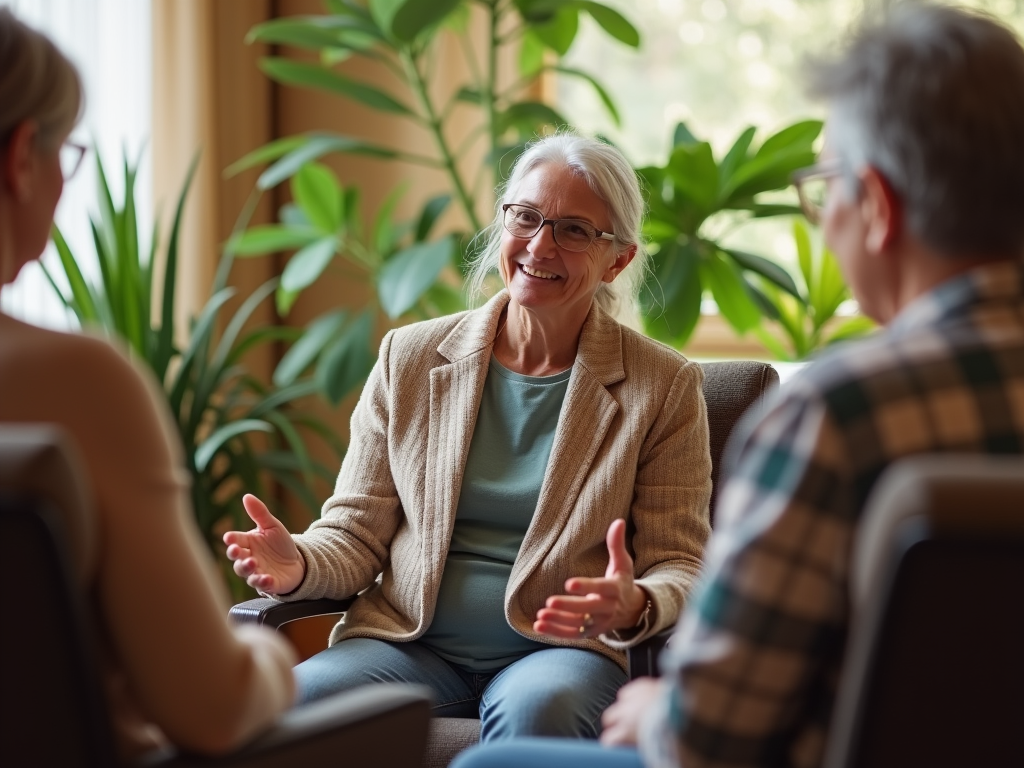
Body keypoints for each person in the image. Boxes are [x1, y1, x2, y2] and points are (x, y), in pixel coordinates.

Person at [449, 4, 1024, 768]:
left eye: (827, 190)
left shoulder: (837, 415)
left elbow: (711, 734)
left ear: (878, 207)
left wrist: (658, 710)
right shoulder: (419, 357)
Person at [223, 131, 713, 741]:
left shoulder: (663, 385)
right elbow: (354, 532)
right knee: (298, 704)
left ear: (617, 259)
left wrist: (637, 602)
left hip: (559, 652)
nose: (540, 244)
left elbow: (681, 563)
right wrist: (298, 562)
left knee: (541, 710)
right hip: (409, 642)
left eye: (574, 230)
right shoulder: (410, 357)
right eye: (526, 217)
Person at [0, 9, 296, 762]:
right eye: (68, 150)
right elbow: (216, 710)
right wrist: (271, 660)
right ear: (22, 154)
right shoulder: (78, 384)